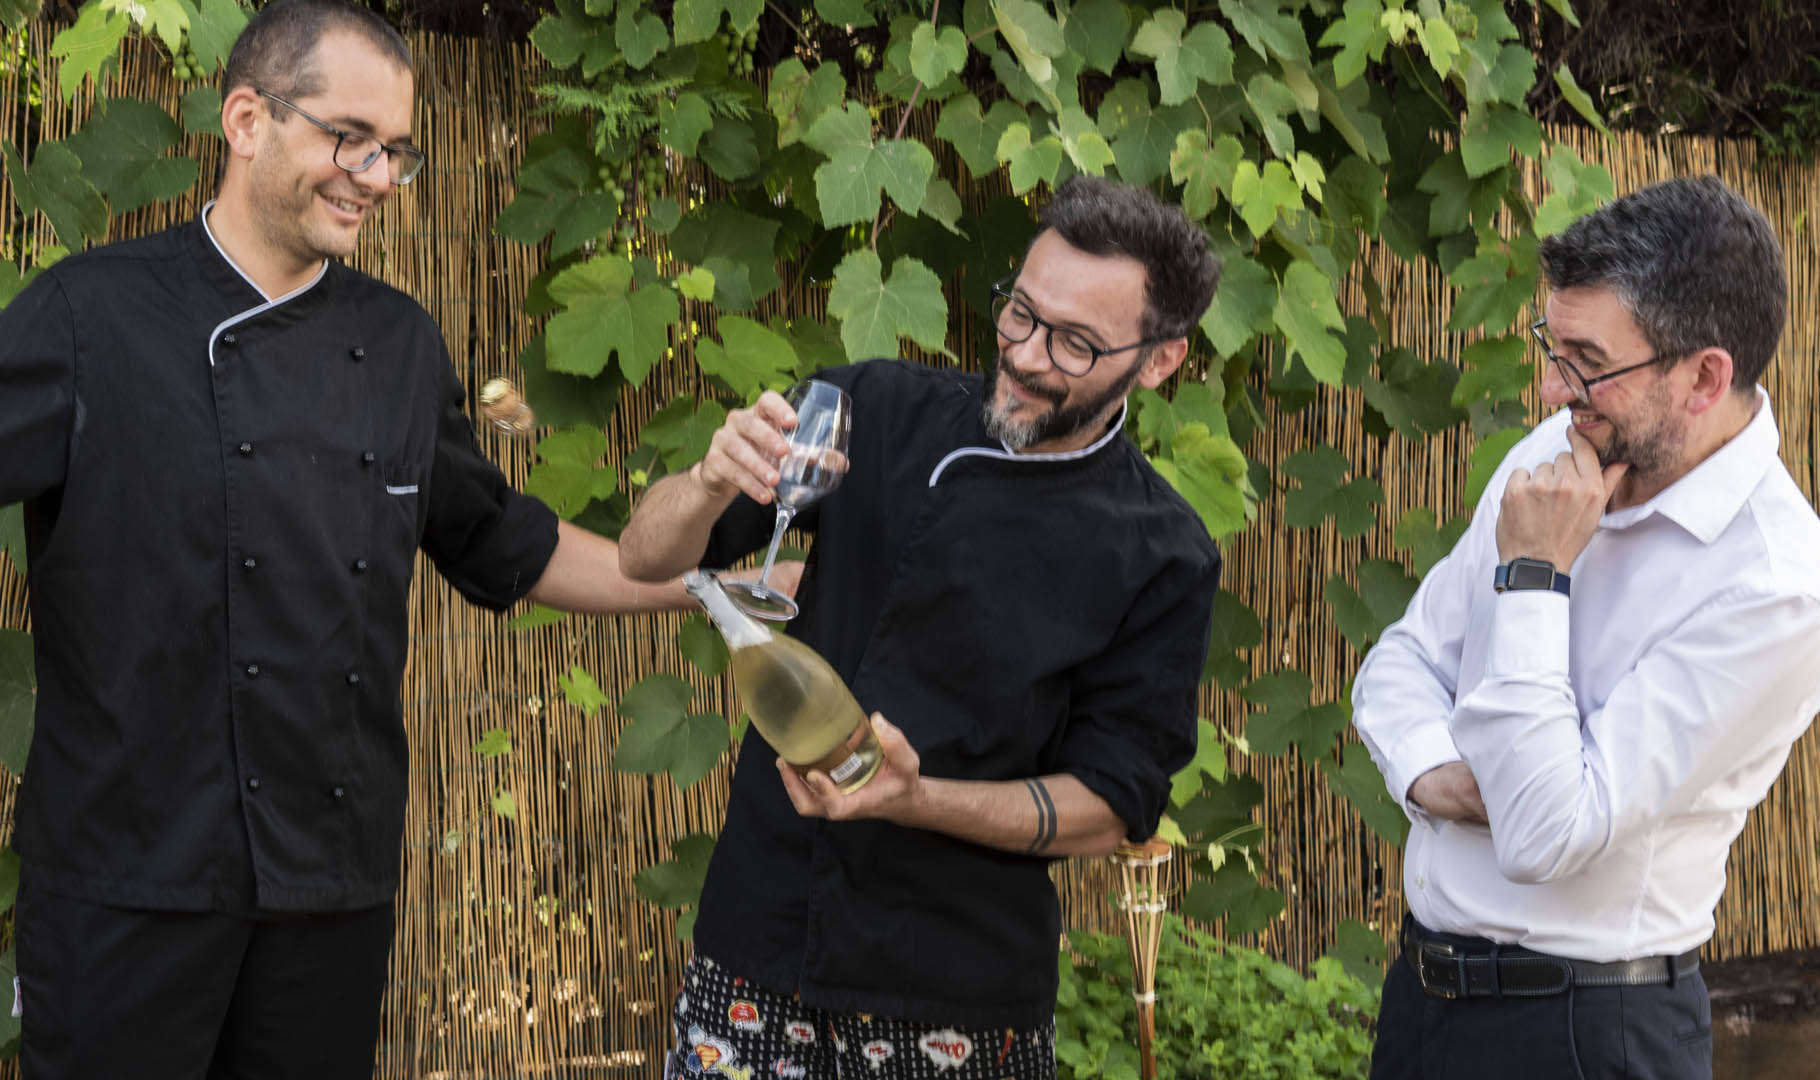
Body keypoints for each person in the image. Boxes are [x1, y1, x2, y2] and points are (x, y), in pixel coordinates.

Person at [0, 2, 769, 1075]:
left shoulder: (399, 345)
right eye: (347, 137)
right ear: (246, 119)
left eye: (395, 151)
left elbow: (511, 545)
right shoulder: (88, 317)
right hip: (128, 881)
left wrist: (711, 589)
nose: (373, 172)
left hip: (329, 888)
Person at [619, 176, 1223, 1080]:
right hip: (758, 945)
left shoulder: (1163, 551)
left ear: (1160, 360)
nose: (1022, 355)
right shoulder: (873, 410)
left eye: (1073, 342)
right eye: (1019, 312)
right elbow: (643, 556)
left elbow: (1111, 806)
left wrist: (914, 798)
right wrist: (707, 481)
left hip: (958, 995)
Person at [1352, 175, 1820, 1079]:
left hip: (1589, 1033)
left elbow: (1545, 833)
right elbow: (1400, 664)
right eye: (1553, 344)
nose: (1551, 385)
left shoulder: (1776, 586)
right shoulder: (1552, 453)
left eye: (1586, 358)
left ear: (1704, 377)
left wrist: (1535, 574)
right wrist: (1435, 779)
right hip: (1422, 1001)